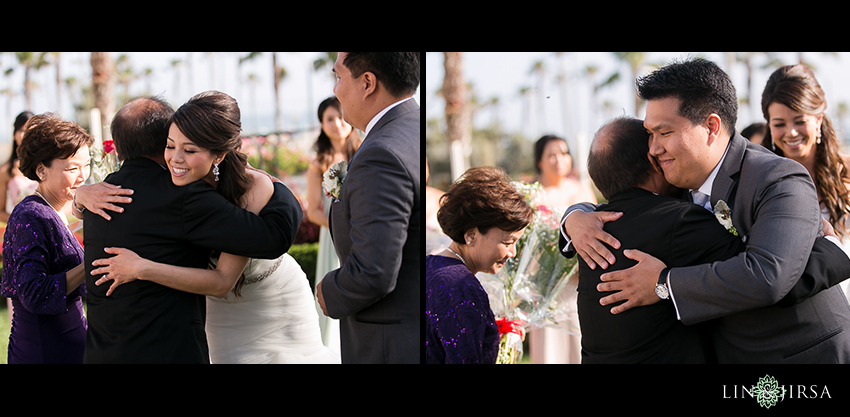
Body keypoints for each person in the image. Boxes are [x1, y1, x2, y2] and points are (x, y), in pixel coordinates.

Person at [561, 57, 850, 363]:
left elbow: (768, 275)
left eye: (665, 133)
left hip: (801, 353)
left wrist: (663, 283)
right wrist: (574, 218)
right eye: (650, 134)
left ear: (711, 127)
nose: (653, 148)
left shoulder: (776, 178)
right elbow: (629, 205)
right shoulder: (676, 181)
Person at [90, 90, 338, 364]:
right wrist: (80, 197)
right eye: (170, 146)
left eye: (190, 150)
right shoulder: (176, 185)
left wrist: (142, 268)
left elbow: (223, 280)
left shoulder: (250, 188)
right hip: (218, 311)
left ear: (218, 155)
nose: (175, 159)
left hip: (269, 303)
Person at [572, 116, 750, 363]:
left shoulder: (588, 233)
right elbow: (756, 271)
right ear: (653, 161)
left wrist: (572, 216)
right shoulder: (681, 221)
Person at [316, 52, 420, 363]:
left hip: (390, 344)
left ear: (368, 82)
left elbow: (373, 272)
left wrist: (327, 291)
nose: (335, 90)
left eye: (338, 76)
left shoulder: (381, 153)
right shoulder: (412, 129)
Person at [0, 113, 92, 363]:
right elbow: (34, 293)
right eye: (73, 168)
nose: (83, 176)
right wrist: (90, 264)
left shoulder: (53, 210)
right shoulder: (31, 215)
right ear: (41, 170)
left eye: (87, 165)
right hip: (44, 349)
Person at [759, 64, 850, 301]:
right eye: (779, 124)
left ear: (818, 119)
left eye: (799, 121)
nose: (790, 132)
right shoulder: (761, 182)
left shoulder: (848, 172)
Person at [426, 166, 533, 364]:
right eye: (508, 242)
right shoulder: (462, 285)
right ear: (471, 235)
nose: (513, 253)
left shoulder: (432, 265)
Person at [528, 134, 596, 364]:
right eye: (551, 155)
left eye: (564, 153)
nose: (559, 159)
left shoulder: (582, 190)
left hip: (578, 282)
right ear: (540, 160)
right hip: (544, 287)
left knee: (578, 344)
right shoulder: (532, 195)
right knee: (549, 350)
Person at [305, 96, 360, 354]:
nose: (337, 123)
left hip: (365, 230)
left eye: (340, 116)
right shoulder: (319, 165)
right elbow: (313, 210)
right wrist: (338, 223)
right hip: (334, 235)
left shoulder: (365, 152)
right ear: (321, 124)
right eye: (329, 119)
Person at [1, 111, 37, 323]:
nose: (26, 134)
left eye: (31, 129)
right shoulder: (5, 172)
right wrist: (20, 219)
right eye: (23, 129)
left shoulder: (45, 167)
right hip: (17, 239)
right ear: (15, 133)